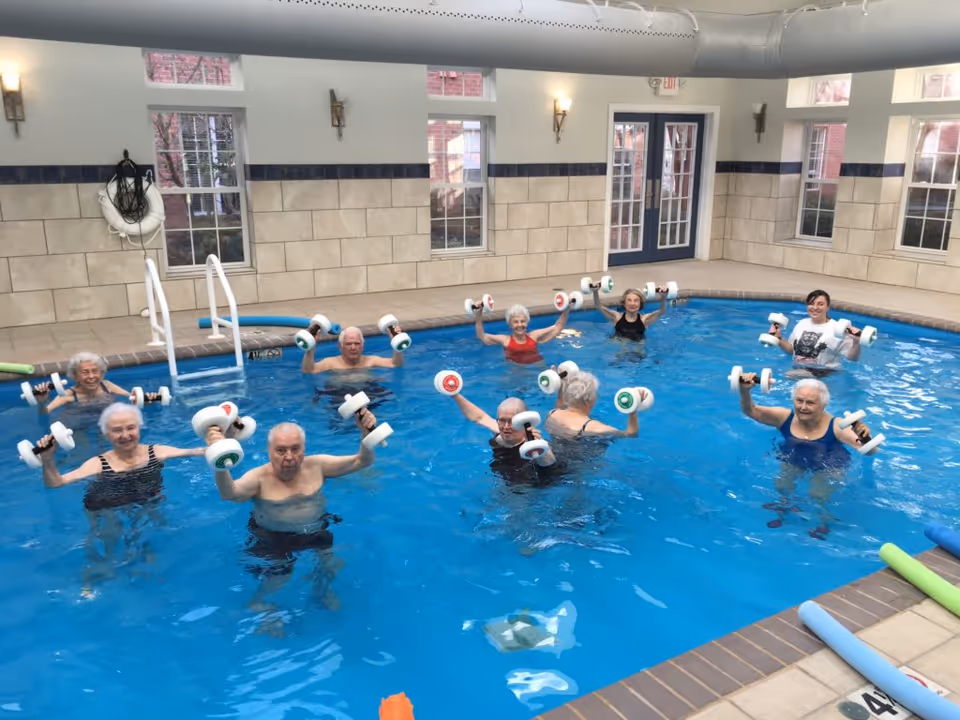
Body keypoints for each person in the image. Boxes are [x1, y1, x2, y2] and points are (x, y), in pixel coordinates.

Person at [203, 412, 378, 616]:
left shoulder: (317, 466)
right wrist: (219, 456)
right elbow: (229, 493)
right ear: (269, 451)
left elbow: (362, 461)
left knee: (329, 565)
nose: (289, 457)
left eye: (295, 449)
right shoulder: (259, 478)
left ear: (304, 449)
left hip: (315, 528)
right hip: (272, 537)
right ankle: (259, 604)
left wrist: (365, 433)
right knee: (279, 578)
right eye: (281, 450)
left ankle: (321, 591)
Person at [37, 403, 206, 594]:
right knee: (108, 545)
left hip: (145, 501)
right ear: (107, 435)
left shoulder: (157, 452)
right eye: (117, 430)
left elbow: (200, 451)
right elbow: (57, 483)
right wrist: (48, 460)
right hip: (105, 506)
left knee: (156, 534)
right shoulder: (98, 463)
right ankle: (90, 579)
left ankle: (147, 579)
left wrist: (223, 439)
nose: (125, 435)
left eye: (130, 428)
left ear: (139, 428)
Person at [737, 374, 878, 539]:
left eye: (810, 402)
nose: (803, 407)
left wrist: (864, 436)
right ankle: (783, 508)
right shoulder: (784, 417)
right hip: (795, 457)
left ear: (824, 404)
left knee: (817, 494)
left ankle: (824, 520)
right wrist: (744, 391)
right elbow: (751, 410)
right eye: (799, 401)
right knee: (782, 485)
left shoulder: (837, 425)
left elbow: (869, 451)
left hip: (829, 463)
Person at [447, 390, 559, 485]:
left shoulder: (534, 445)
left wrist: (539, 446)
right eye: (502, 420)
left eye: (511, 421)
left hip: (528, 487)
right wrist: (455, 394)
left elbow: (550, 466)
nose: (506, 427)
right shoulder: (500, 432)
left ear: (524, 422)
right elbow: (479, 417)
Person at [29, 352, 160, 413]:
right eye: (85, 372)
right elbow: (44, 415)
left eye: (95, 371)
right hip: (80, 428)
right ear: (75, 376)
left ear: (101, 373)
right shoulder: (68, 395)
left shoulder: (107, 386)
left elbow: (131, 399)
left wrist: (148, 402)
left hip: (107, 425)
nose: (91, 376)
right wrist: (41, 402)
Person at [768, 290, 865, 372]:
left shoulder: (838, 328)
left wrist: (856, 342)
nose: (815, 308)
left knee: (789, 375)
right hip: (799, 370)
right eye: (811, 303)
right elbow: (791, 350)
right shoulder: (802, 324)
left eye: (820, 304)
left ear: (828, 307)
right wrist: (779, 338)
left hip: (825, 374)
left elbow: (852, 358)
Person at [545, 370, 642, 439]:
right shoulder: (595, 428)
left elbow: (560, 405)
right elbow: (631, 434)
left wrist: (560, 387)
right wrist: (632, 409)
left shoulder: (552, 414)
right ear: (588, 400)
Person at [474, 304, 569, 364]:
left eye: (523, 321)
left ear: (527, 322)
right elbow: (482, 336)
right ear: (510, 324)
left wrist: (567, 308)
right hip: (515, 374)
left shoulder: (534, 336)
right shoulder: (505, 340)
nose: (520, 325)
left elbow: (557, 327)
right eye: (516, 322)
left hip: (536, 370)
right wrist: (478, 315)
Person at [301, 326, 404, 374]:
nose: (353, 348)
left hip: (370, 394)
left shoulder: (371, 361)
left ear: (363, 345)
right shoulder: (331, 363)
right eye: (348, 344)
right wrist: (310, 348)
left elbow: (396, 364)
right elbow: (308, 370)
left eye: (357, 343)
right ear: (340, 346)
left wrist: (396, 343)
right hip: (339, 396)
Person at [593, 287, 667, 341]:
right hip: (619, 348)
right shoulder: (616, 317)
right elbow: (598, 306)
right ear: (624, 303)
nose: (632, 303)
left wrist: (663, 297)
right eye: (629, 300)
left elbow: (662, 311)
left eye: (636, 300)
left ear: (640, 304)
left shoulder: (644, 320)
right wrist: (595, 291)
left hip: (637, 352)